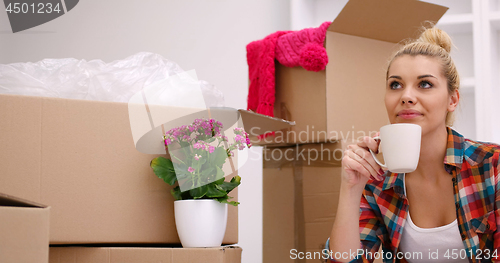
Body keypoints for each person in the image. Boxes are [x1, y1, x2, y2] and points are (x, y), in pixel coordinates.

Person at [327, 26, 500, 263]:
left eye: (425, 84)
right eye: (395, 85)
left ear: (452, 99)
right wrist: (351, 189)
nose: (406, 96)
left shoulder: (492, 165)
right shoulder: (376, 182)